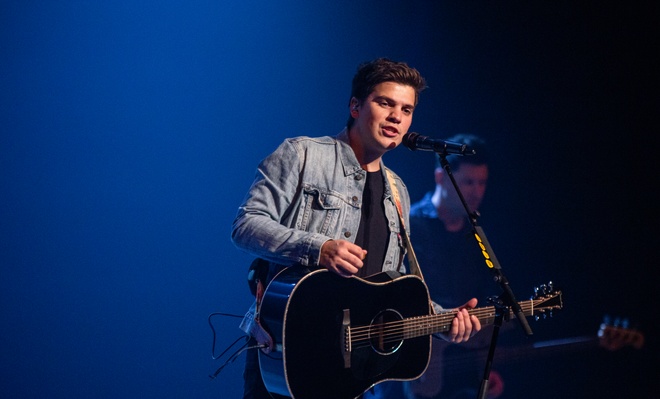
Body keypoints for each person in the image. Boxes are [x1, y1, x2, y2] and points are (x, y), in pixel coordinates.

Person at [231, 58, 483, 399]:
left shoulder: (398, 191)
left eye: (406, 109)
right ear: (355, 106)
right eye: (385, 103)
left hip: (353, 369)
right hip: (287, 350)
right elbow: (246, 225)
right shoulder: (303, 154)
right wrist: (318, 247)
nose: (397, 116)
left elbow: (392, 285)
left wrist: (443, 321)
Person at [378, 134, 506, 399]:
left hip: (459, 373)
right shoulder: (410, 227)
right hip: (409, 371)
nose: (476, 191)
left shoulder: (478, 236)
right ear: (441, 178)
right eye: (468, 182)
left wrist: (483, 367)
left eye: (482, 182)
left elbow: (480, 306)